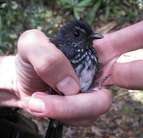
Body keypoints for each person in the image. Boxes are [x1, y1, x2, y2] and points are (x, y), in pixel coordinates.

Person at [0, 21, 143, 126]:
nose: (90, 38)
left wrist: (17, 82)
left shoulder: (91, 52)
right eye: (77, 34)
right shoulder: (60, 48)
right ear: (68, 36)